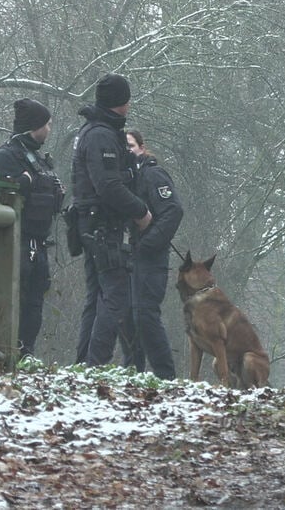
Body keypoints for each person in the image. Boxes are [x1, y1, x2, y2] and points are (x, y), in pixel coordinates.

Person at [71, 73, 151, 367]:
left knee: (96, 298)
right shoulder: (101, 135)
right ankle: (95, 365)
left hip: (93, 225)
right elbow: (108, 186)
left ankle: (84, 365)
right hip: (103, 226)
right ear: (122, 102)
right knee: (114, 296)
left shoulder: (96, 131)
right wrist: (141, 212)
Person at [0, 98, 65, 358]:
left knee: (33, 304)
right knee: (11, 301)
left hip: (37, 244)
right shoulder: (2, 158)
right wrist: (20, 184)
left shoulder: (38, 162)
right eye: (47, 124)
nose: (49, 129)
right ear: (34, 126)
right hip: (12, 245)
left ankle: (24, 354)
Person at [120, 129, 183, 379]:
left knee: (146, 315)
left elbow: (173, 212)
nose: (127, 150)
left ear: (142, 148)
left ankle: (165, 376)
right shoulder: (125, 178)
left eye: (131, 145)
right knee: (126, 318)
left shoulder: (153, 174)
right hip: (128, 257)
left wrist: (147, 245)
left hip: (151, 259)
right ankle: (133, 373)